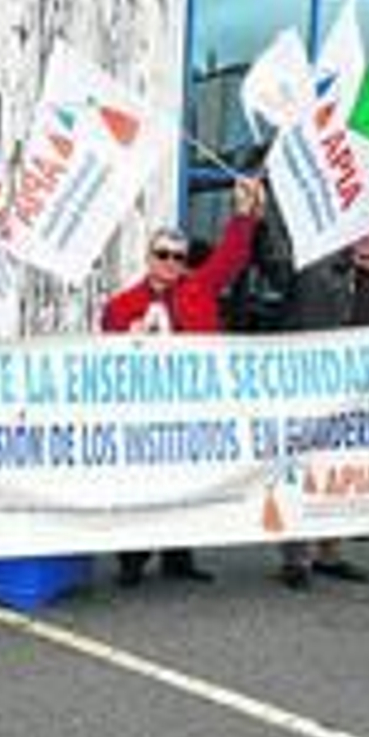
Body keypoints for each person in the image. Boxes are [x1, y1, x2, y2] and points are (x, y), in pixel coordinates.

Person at [101, 175, 266, 587]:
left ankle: (179, 556)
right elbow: (102, 361)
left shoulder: (201, 288)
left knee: (188, 483)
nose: (171, 262)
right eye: (163, 254)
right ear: (149, 257)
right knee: (140, 486)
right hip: (143, 410)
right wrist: (126, 340)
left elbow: (231, 256)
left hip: (193, 405)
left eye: (178, 256)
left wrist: (244, 215)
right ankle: (132, 559)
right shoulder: (121, 306)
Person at [275, 224, 369, 590]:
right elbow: (281, 264)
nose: (367, 233)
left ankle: (330, 552)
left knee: (344, 471)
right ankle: (296, 558)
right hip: (318, 387)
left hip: (365, 393)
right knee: (305, 470)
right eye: (361, 225)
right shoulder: (323, 270)